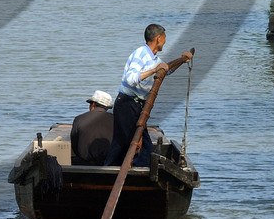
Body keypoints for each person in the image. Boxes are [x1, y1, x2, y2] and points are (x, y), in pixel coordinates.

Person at [107, 24, 192, 166]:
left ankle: (113, 168)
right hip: (127, 104)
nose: (165, 41)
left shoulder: (154, 59)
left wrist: (183, 60)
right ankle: (122, 170)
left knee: (125, 145)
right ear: (158, 38)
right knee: (135, 146)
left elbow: (166, 70)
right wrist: (153, 70)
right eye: (164, 38)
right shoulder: (141, 54)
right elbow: (130, 79)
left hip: (136, 105)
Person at [71, 91, 115, 166]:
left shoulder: (79, 119)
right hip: (108, 162)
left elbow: (74, 144)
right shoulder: (115, 120)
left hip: (85, 162)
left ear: (93, 104)